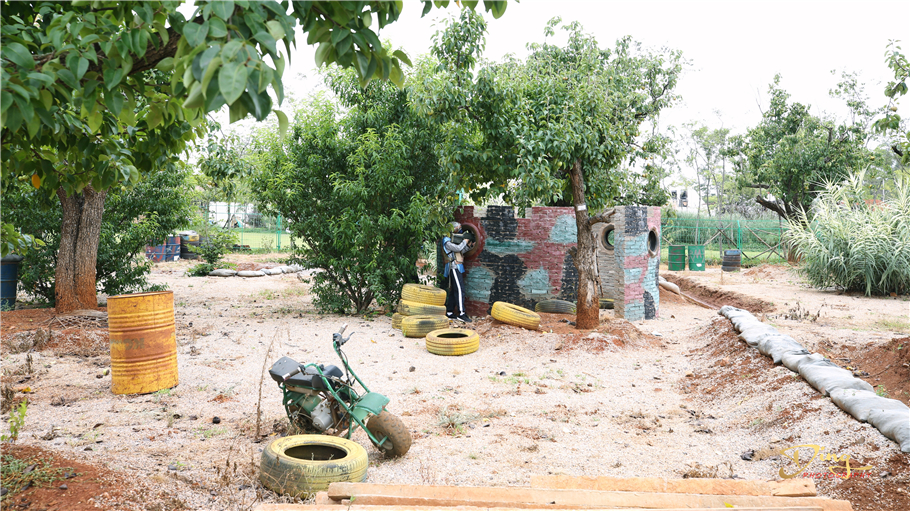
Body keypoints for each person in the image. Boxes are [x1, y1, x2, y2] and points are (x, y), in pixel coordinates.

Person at [442, 222, 473, 323]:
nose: (458, 230)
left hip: (458, 266)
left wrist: (469, 246)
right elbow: (458, 248)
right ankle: (461, 313)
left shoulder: (453, 240)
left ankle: (450, 312)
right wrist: (465, 240)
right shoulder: (446, 241)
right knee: (460, 290)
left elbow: (460, 251)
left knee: (454, 290)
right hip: (453, 267)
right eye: (456, 228)